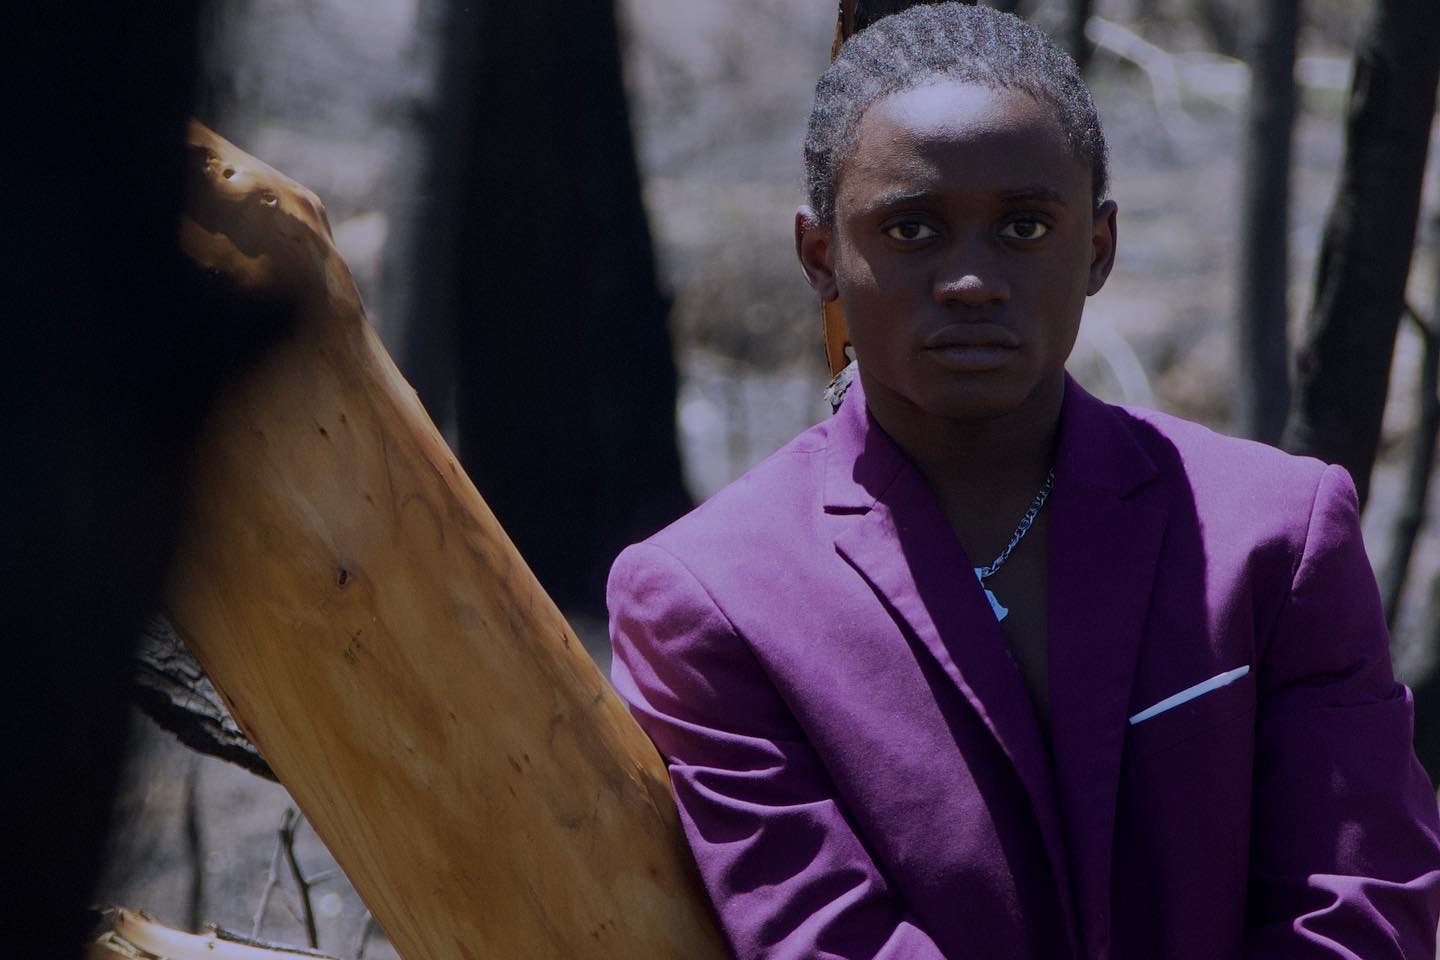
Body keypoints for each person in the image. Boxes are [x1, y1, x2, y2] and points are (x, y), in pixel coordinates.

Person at [606, 5, 1440, 958]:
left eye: (1024, 226)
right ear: (821, 256)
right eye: (911, 228)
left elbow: (1361, 897)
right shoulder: (714, 596)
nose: (971, 281)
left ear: (1098, 248)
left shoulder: (1272, 533)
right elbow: (823, 934)